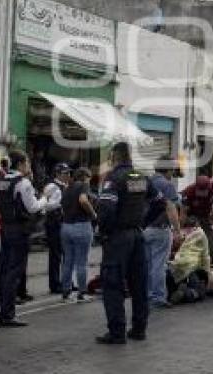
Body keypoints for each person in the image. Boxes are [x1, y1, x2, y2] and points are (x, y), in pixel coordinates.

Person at [95, 142, 162, 345]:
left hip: (118, 239)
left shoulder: (114, 179)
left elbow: (106, 210)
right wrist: (143, 222)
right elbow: (160, 202)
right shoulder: (140, 177)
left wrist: (105, 233)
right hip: (137, 237)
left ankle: (117, 333)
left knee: (112, 284)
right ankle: (139, 329)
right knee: (138, 284)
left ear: (115, 157)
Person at [0, 150, 49, 327]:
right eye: (27, 162)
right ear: (20, 164)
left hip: (5, 227)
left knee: (4, 268)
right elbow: (33, 207)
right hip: (19, 229)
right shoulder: (23, 182)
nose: (29, 166)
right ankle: (7, 314)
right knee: (14, 271)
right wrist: (44, 199)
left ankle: (3, 308)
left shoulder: (1, 180)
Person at [143, 155, 181, 308]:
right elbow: (171, 208)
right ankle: (157, 298)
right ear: (169, 169)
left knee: (146, 265)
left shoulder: (146, 182)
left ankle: (145, 296)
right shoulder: (167, 185)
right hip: (160, 229)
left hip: (143, 229)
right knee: (159, 265)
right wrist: (177, 230)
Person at [60, 167, 98, 302]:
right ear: (85, 177)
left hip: (66, 227)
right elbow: (83, 200)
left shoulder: (66, 188)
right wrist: (93, 214)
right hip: (81, 226)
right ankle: (82, 292)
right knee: (81, 261)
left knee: (68, 261)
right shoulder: (83, 185)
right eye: (89, 178)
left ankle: (65, 291)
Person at [182, 174, 213, 266]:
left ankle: (212, 258)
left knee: (211, 235)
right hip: (193, 215)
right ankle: (193, 260)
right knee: (196, 235)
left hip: (208, 214)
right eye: (200, 191)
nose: (202, 194)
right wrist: (181, 227)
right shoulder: (189, 191)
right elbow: (183, 212)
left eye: (204, 191)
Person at [167, 216, 210, 305]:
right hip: (193, 268)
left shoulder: (181, 233)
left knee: (175, 281)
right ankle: (187, 293)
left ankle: (177, 291)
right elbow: (205, 256)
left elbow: (175, 248)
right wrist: (207, 272)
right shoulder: (201, 233)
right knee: (200, 293)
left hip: (177, 265)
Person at [43, 163, 70, 294]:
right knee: (55, 255)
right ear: (58, 174)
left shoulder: (65, 186)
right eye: (65, 173)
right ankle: (54, 284)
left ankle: (65, 282)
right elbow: (45, 205)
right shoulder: (52, 186)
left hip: (63, 223)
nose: (68, 176)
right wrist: (59, 204)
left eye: (68, 173)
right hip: (54, 223)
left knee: (65, 254)